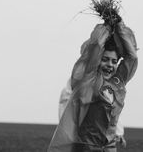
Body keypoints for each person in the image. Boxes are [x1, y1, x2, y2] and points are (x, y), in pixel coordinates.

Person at [48, 20, 138, 152]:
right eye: (105, 59)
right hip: (86, 147)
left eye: (114, 61)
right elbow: (96, 47)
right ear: (98, 60)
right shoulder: (90, 79)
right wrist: (107, 27)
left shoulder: (118, 83)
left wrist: (119, 26)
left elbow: (132, 58)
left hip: (109, 148)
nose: (109, 65)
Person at [58, 78, 127, 148]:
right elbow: (65, 105)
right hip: (82, 135)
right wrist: (66, 132)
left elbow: (113, 111)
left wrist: (119, 132)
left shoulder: (107, 85)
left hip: (101, 137)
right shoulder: (77, 80)